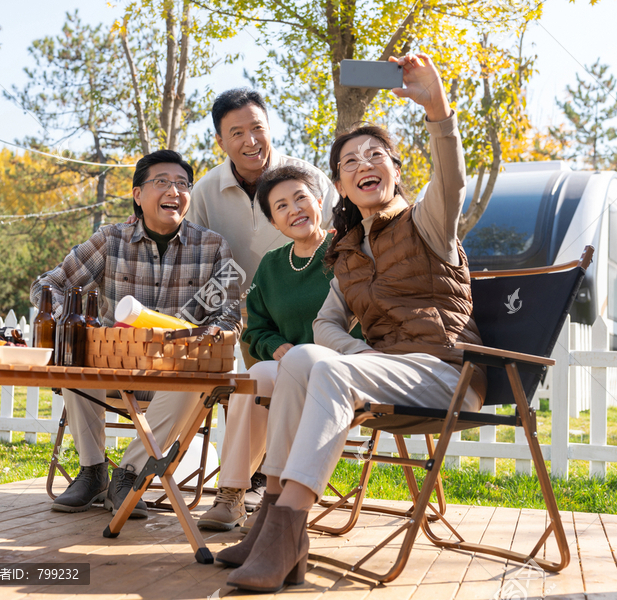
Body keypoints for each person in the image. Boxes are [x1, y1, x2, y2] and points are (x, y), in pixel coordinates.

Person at [217, 54, 488, 593]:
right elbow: (325, 326)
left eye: (376, 155)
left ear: (394, 169)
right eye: (350, 161)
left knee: (331, 372)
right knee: (300, 359)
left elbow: (452, 180)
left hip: (446, 372)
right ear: (340, 184)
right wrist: (362, 356)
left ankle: (288, 528)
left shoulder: (427, 222)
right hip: (386, 371)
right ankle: (270, 518)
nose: (364, 164)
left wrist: (436, 107)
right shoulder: (350, 251)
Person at [30, 150, 242, 519]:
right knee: (77, 352)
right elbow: (46, 286)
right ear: (138, 194)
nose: (173, 191)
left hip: (172, 378)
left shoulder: (211, 248)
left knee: (196, 379)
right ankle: (93, 471)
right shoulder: (111, 240)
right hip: (112, 366)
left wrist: (203, 337)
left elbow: (231, 316)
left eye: (181, 184)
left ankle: (127, 475)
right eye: (161, 182)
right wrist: (77, 321)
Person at [187, 88, 338, 513]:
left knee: (278, 386)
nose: (250, 140)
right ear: (221, 141)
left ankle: (271, 491)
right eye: (237, 133)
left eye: (258, 128)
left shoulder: (308, 180)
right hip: (248, 310)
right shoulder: (207, 191)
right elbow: (190, 246)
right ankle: (232, 492)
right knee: (251, 387)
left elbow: (345, 240)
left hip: (323, 334)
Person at [196, 164, 363, 531]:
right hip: (289, 365)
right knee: (255, 376)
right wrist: (275, 347)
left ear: (319, 200)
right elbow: (256, 328)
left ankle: (281, 502)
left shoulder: (349, 250)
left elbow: (369, 314)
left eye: (301, 197)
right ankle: (232, 493)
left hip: (341, 367)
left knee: (287, 368)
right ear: (274, 223)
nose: (295, 210)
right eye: (282, 206)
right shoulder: (272, 265)